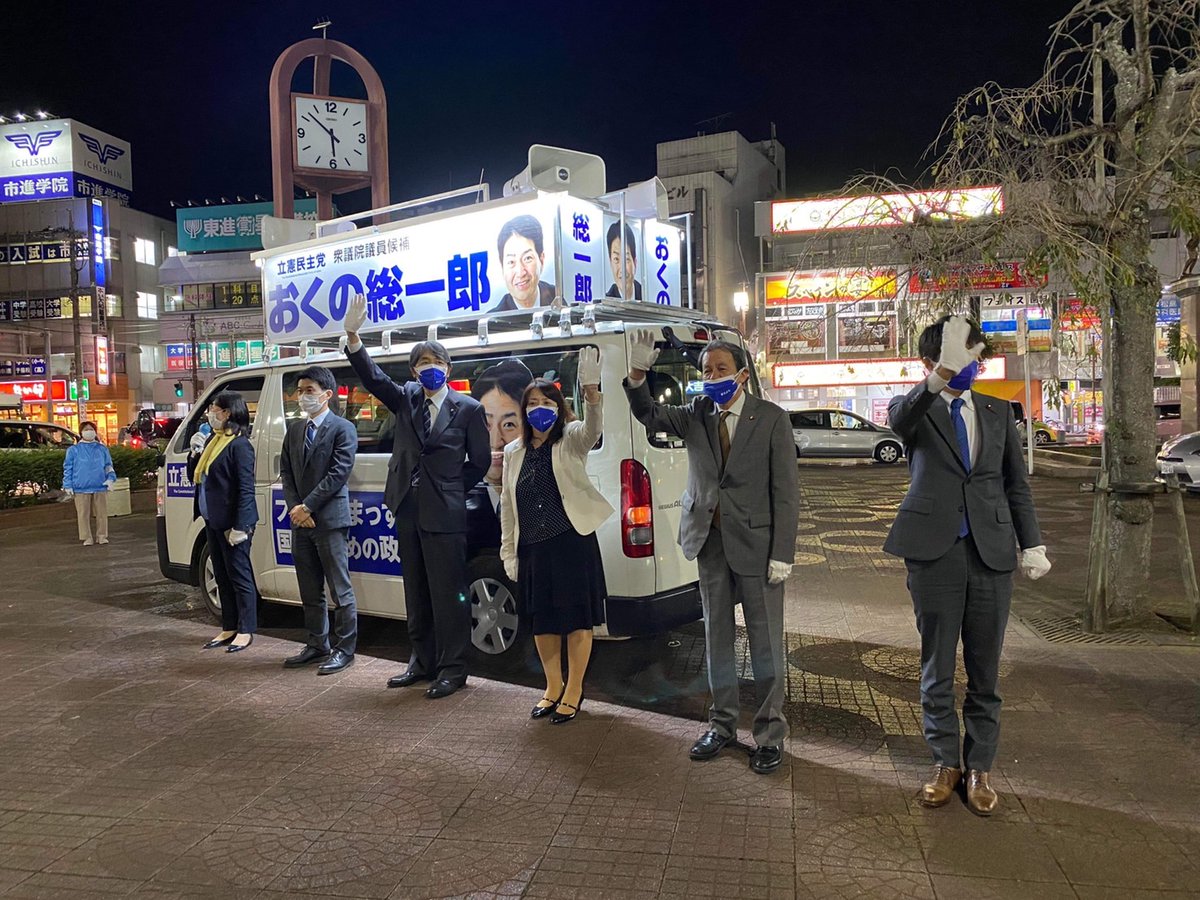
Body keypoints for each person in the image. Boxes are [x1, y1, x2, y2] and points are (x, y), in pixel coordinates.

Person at [885, 314, 1050, 816]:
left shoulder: (999, 412)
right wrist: (939, 377)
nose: (969, 365)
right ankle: (945, 764)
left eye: (974, 355)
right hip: (933, 552)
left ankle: (979, 768)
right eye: (957, 356)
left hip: (990, 552)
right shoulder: (915, 408)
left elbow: (1015, 485)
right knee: (936, 666)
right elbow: (899, 423)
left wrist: (1032, 543)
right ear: (928, 362)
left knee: (985, 670)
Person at [624, 332, 798, 774]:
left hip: (758, 547)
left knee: (765, 643)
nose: (713, 376)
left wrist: (783, 551)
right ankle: (721, 726)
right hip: (710, 542)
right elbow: (648, 413)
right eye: (706, 370)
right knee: (717, 639)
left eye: (721, 369)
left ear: (741, 375)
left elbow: (786, 492)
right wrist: (638, 375)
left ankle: (769, 734)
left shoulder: (771, 419)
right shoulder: (697, 413)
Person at [343, 295, 490, 697]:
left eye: (436, 362)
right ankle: (421, 662)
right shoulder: (407, 397)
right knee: (416, 591)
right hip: (407, 509)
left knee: (449, 595)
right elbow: (375, 379)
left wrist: (449, 487)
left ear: (449, 368)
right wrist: (354, 338)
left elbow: (479, 461)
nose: (430, 368)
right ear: (413, 371)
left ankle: (453, 669)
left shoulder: (469, 409)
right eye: (423, 363)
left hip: (446, 514)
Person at [499, 350, 611, 724]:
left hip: (571, 544)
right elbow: (507, 505)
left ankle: (574, 689)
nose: (539, 409)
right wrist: (509, 553)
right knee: (543, 621)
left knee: (577, 620)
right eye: (532, 403)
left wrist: (592, 392)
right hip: (533, 548)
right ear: (523, 410)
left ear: (559, 407)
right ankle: (552, 687)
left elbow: (593, 429)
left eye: (547, 402)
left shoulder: (571, 439)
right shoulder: (513, 452)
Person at [280, 365, 360, 675]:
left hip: (329, 519)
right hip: (301, 521)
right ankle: (317, 644)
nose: (303, 396)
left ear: (327, 394)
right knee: (309, 588)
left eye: (309, 391)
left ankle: (345, 649)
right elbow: (286, 472)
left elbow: (338, 473)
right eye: (300, 391)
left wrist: (308, 507)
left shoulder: (343, 428)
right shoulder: (295, 430)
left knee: (340, 589)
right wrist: (296, 508)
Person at [187, 392, 258, 653]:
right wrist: (194, 453)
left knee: (239, 575)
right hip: (212, 519)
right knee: (221, 574)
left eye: (214, 409)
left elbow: (246, 489)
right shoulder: (213, 440)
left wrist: (241, 526)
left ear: (227, 413)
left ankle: (246, 629)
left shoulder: (240, 445)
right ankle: (229, 626)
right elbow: (195, 476)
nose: (210, 414)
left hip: (233, 523)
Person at [466, 358, 534, 551]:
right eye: (485, 424)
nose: (496, 441)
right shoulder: (459, 492)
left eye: (509, 425)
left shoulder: (543, 488)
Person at [62, 420, 116, 546]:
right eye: (86, 429)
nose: (89, 432)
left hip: (100, 485)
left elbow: (108, 465)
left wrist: (111, 478)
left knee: (102, 513)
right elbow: (68, 467)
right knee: (83, 514)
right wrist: (67, 484)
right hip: (80, 487)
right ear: (81, 432)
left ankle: (102, 536)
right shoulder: (73, 450)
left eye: (91, 429)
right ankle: (86, 537)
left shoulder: (102, 449)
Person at [492, 214, 555, 311]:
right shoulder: (494, 317)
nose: (520, 273)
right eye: (511, 262)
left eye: (527, 258)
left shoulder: (558, 298)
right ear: (502, 267)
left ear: (541, 259)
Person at [604, 221, 643, 301]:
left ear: (635, 262)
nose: (622, 269)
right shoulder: (606, 302)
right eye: (616, 259)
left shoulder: (646, 295)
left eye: (626, 259)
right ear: (610, 263)